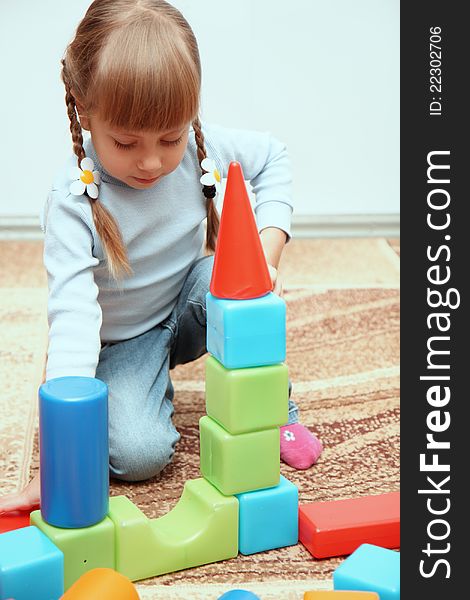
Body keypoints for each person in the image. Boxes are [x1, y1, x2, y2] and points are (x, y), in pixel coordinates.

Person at [0, 0, 322, 514]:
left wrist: (267, 251)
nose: (151, 162)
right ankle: (142, 386)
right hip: (120, 341)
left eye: (169, 138)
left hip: (189, 304)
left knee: (241, 282)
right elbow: (73, 321)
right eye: (126, 142)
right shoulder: (71, 202)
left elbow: (274, 157)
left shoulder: (203, 148)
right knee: (139, 455)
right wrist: (59, 461)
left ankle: (273, 410)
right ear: (86, 112)